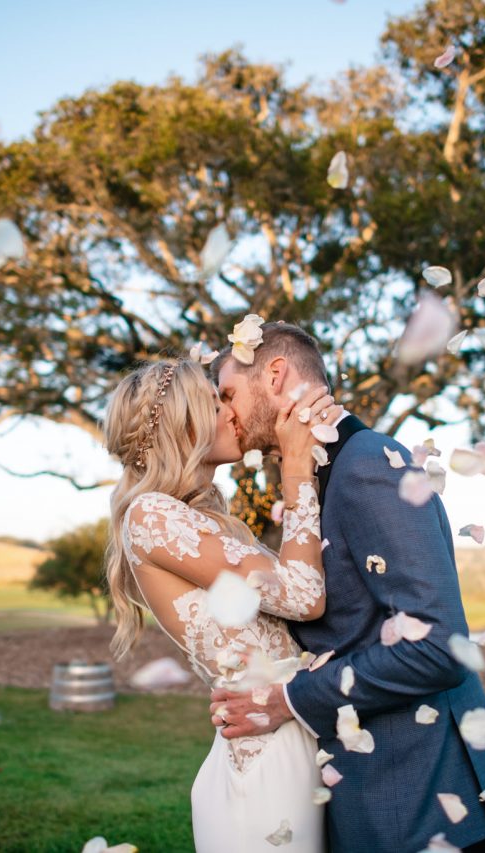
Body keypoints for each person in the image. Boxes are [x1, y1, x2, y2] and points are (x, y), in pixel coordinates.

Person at [208, 321, 485, 852]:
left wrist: (290, 698)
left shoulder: (367, 466)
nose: (226, 413)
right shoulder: (315, 476)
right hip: (378, 791)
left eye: (228, 394)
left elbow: (438, 647)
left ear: (275, 374)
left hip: (416, 801)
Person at [103, 357, 343, 852]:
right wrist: (296, 469)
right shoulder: (152, 516)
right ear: (185, 424)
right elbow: (303, 595)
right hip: (266, 767)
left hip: (284, 737)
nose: (233, 413)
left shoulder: (195, 518)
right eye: (217, 404)